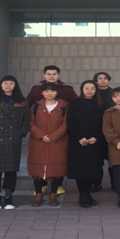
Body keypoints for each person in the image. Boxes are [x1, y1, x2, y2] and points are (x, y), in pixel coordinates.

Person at [26, 65, 77, 195]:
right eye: (49, 74)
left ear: (58, 75)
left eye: (54, 74)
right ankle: (42, 184)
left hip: (59, 130)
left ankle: (58, 184)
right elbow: (27, 107)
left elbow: (75, 107)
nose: (51, 76)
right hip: (40, 129)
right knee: (40, 158)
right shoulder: (36, 90)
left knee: (58, 159)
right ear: (44, 75)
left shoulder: (67, 90)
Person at [0, 75, 30, 210]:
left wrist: (21, 133)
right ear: (1, 85)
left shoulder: (22, 102)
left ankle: (9, 195)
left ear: (15, 85)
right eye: (5, 83)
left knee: (11, 170)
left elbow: (27, 119)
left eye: (11, 83)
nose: (8, 86)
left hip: (12, 138)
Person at [27, 82, 69, 207]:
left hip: (58, 142)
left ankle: (53, 194)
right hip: (38, 142)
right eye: (46, 91)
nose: (49, 93)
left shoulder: (64, 107)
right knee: (37, 168)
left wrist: (53, 136)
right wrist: (41, 135)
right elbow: (31, 123)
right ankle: (38, 194)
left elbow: (66, 124)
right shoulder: (36, 106)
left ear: (57, 92)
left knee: (57, 168)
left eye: (52, 91)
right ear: (42, 93)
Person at [67, 80, 106, 208]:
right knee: (80, 170)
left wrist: (97, 137)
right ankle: (83, 195)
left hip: (94, 142)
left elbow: (104, 124)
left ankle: (88, 193)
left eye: (92, 88)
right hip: (79, 142)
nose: (89, 91)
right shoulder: (75, 103)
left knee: (92, 170)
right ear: (82, 90)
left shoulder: (101, 105)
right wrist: (79, 137)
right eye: (86, 88)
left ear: (96, 90)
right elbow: (71, 122)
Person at [91, 71, 114, 192]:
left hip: (112, 129)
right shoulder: (92, 93)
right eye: (99, 78)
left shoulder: (114, 93)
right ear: (96, 81)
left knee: (113, 159)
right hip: (96, 130)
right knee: (96, 160)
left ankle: (114, 183)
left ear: (109, 80)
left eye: (105, 78)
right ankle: (96, 183)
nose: (102, 80)